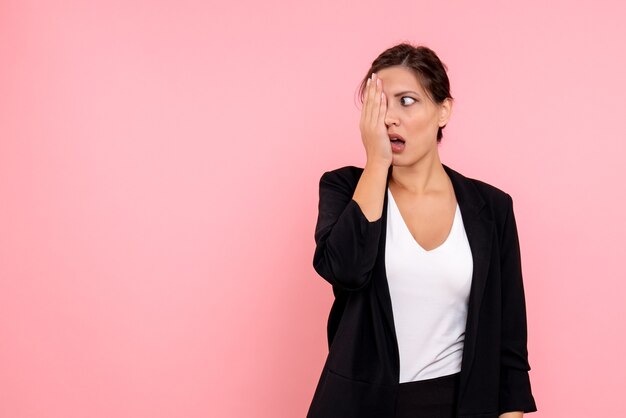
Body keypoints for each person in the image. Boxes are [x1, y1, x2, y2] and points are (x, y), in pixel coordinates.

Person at [306, 43, 538, 418]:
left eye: (406, 101)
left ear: (443, 110)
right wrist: (377, 162)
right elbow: (345, 269)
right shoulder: (346, 188)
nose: (389, 119)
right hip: (361, 406)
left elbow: (509, 336)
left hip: (461, 404)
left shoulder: (491, 208)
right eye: (377, 105)